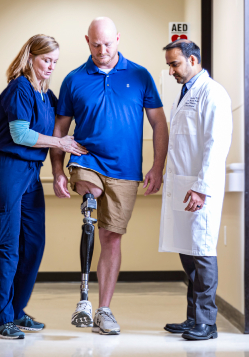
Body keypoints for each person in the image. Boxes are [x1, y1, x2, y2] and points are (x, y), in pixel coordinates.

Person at [51, 17, 168, 335]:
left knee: (111, 238)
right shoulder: (74, 80)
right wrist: (58, 171)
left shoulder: (140, 75)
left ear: (118, 39)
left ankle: (103, 310)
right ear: (87, 41)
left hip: (126, 170)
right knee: (91, 193)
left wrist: (157, 167)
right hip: (86, 160)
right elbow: (60, 129)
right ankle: (89, 205)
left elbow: (158, 123)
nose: (102, 50)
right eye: (96, 44)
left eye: (108, 43)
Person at [0, 34, 87, 340]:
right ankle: (1, 319)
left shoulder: (46, 94)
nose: (50, 67)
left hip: (31, 174)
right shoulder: (20, 88)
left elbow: (65, 118)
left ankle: (16, 311)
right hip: (8, 169)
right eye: (46, 60)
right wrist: (59, 142)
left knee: (33, 244)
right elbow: (19, 133)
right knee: (7, 247)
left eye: (55, 62)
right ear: (30, 57)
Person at [159, 40, 232, 341]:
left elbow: (216, 145)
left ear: (192, 59)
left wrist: (202, 188)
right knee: (187, 252)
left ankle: (207, 322)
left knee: (202, 251)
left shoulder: (212, 93)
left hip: (200, 190)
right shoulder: (186, 93)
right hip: (182, 187)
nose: (171, 70)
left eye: (175, 64)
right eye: (169, 65)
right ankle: (193, 319)